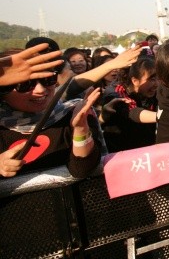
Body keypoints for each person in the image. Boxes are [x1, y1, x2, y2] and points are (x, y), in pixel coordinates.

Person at [0, 49, 102, 178]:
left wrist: (80, 129)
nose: (41, 90)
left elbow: (82, 170)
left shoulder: (74, 113)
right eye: (25, 84)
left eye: (48, 79)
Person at [101, 56, 158, 152]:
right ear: (135, 81)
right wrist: (161, 116)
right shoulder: (116, 93)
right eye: (152, 79)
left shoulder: (153, 93)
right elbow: (132, 112)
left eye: (158, 79)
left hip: (147, 150)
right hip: (120, 152)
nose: (156, 84)